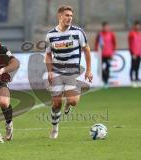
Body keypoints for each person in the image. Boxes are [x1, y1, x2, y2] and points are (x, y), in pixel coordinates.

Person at [45, 5, 93, 139]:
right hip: (57, 71)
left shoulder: (78, 32)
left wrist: (88, 70)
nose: (69, 18)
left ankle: (69, 101)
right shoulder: (50, 35)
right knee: (56, 103)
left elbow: (87, 50)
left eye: (71, 16)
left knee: (73, 101)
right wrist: (49, 71)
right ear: (59, 16)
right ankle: (54, 128)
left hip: (72, 71)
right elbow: (48, 55)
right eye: (66, 15)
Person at [94, 21, 116, 87]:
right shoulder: (100, 34)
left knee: (108, 67)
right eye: (104, 27)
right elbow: (96, 43)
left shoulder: (111, 34)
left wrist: (113, 52)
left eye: (107, 26)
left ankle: (106, 82)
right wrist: (96, 51)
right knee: (100, 69)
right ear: (102, 27)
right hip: (101, 54)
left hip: (109, 54)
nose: (106, 28)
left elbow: (114, 43)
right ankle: (103, 80)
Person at [128, 20, 141, 87]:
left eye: (139, 25)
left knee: (137, 67)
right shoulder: (132, 33)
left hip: (139, 53)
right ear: (134, 26)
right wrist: (132, 52)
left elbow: (140, 44)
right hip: (134, 53)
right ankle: (132, 80)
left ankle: (137, 80)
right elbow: (130, 43)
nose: (138, 26)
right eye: (137, 25)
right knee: (133, 67)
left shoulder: (140, 33)